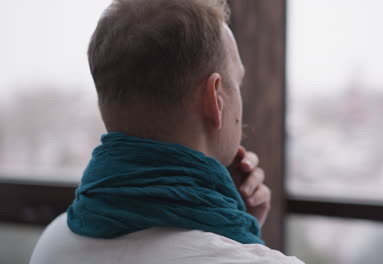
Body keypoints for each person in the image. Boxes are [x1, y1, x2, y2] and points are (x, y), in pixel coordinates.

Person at [30, 0, 304, 263]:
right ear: (216, 98)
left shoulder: (52, 243)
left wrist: (235, 221)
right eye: (238, 83)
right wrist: (249, 243)